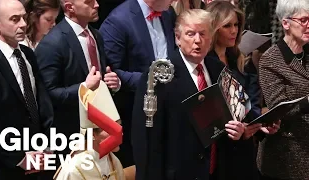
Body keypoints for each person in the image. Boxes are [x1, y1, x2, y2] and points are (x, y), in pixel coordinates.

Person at [132, 9, 246, 180]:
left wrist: (238, 131)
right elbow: (146, 141)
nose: (197, 41)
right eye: (190, 34)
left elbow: (232, 116)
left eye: (203, 34)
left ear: (211, 38)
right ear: (178, 38)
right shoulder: (159, 76)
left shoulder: (219, 70)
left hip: (216, 171)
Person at [35, 0, 120, 174]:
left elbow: (100, 78)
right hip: (69, 133)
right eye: (89, 2)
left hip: (99, 130)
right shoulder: (52, 43)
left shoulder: (96, 35)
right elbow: (47, 95)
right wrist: (84, 88)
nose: (96, 5)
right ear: (69, 8)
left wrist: (113, 82)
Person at [99, 0, 177, 167]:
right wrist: (152, 81)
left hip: (168, 106)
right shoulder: (118, 20)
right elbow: (112, 71)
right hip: (135, 110)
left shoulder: (168, 13)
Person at [0, 0, 53, 179]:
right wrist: (19, 158)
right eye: (15, 19)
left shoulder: (28, 54)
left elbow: (42, 104)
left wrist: (47, 145)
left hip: (39, 155)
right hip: (4, 164)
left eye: (24, 18)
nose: (23, 24)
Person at [205, 1, 267, 179]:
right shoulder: (205, 63)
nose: (234, 30)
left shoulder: (240, 60)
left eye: (236, 25)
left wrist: (256, 124)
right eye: (227, 26)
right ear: (214, 28)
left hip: (244, 146)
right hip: (220, 148)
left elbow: (253, 100)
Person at [258, 0, 309, 179]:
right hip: (287, 156)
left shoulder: (307, 52)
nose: (308, 25)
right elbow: (278, 108)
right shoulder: (271, 59)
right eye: (303, 20)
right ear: (285, 23)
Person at [54, 82, 125, 180]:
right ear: (93, 134)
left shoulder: (113, 161)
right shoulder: (74, 170)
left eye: (119, 126)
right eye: (111, 130)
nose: (119, 133)